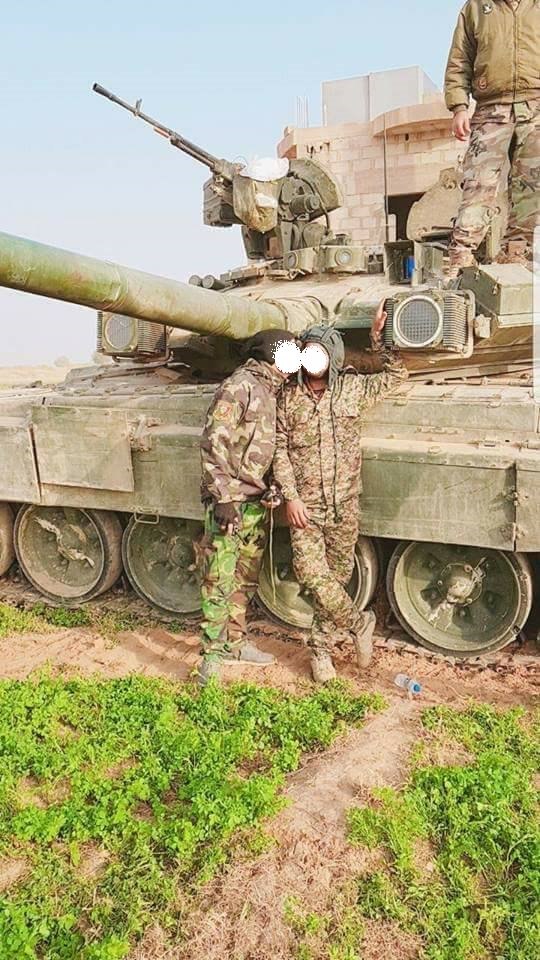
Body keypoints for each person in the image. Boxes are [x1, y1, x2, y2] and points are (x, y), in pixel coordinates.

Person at [272, 305, 408, 684]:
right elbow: (278, 448)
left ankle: (320, 651)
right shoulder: (288, 398)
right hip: (306, 507)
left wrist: (379, 338)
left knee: (334, 579)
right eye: (307, 353)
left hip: (344, 505)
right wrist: (290, 496)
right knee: (310, 573)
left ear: (332, 356)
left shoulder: (353, 389)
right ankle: (359, 623)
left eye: (320, 353)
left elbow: (397, 374)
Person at [198, 329, 297, 684]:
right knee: (219, 578)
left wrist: (273, 488)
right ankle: (211, 656)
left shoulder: (272, 391)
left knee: (244, 580)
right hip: (232, 503)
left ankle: (235, 644)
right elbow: (214, 442)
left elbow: (267, 450)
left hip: (255, 502)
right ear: (272, 354)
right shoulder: (238, 386)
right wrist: (223, 497)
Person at [445, 0, 540, 276]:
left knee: (532, 188)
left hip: (536, 107)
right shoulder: (476, 7)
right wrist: (459, 106)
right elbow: (460, 59)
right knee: (478, 185)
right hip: (490, 109)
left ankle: (517, 256)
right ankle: (461, 260)